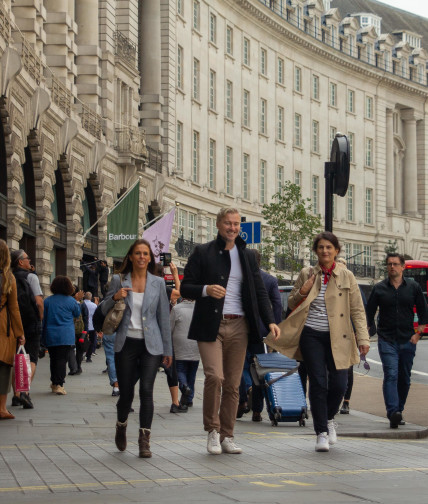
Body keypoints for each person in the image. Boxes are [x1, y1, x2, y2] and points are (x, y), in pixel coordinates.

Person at [181, 207, 280, 455]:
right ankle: (212, 431)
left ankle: (228, 435)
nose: (233, 228)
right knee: (215, 377)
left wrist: (270, 321)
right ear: (218, 225)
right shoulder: (202, 252)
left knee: (234, 385)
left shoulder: (246, 255)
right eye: (228, 223)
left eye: (236, 224)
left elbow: (259, 292)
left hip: (240, 326)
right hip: (210, 324)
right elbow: (185, 287)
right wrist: (206, 290)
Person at [265, 231, 370, 452]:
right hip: (311, 334)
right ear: (315, 251)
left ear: (336, 251)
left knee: (340, 384)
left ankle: (330, 417)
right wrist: (303, 290)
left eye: (329, 248)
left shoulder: (347, 276)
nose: (324, 251)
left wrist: (363, 338)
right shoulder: (307, 273)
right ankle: (321, 431)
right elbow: (292, 302)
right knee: (318, 382)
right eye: (321, 247)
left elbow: (358, 310)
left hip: (338, 335)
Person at [101, 238, 172, 458]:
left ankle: (144, 440)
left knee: (147, 390)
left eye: (145, 254)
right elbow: (103, 309)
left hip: (151, 345)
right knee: (127, 394)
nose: (142, 257)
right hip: (126, 343)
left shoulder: (158, 283)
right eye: (138, 253)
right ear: (130, 257)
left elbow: (163, 317)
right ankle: (121, 425)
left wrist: (168, 350)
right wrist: (115, 296)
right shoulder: (118, 279)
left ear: (150, 258)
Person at [366, 253, 428, 428]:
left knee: (404, 378)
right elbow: (368, 314)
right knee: (391, 374)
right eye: (389, 264)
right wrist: (366, 333)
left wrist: (418, 334)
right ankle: (393, 411)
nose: (392, 267)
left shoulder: (413, 287)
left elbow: (424, 311)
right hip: (386, 339)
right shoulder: (379, 289)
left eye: (395, 264)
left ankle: (399, 410)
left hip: (408, 339)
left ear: (402, 267)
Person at [237, 248, 282, 422]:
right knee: (261, 370)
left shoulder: (238, 279)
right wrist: (274, 326)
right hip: (262, 332)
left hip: (240, 329)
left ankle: (242, 399)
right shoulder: (270, 280)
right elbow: (277, 304)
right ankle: (257, 411)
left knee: (240, 366)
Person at [10, 249, 44, 409]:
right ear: (20, 262)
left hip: (14, 323)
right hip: (31, 322)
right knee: (31, 358)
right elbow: (38, 301)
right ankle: (24, 392)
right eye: (27, 258)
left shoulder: (9, 277)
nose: (30, 260)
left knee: (17, 358)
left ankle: (16, 396)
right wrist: (40, 317)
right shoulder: (31, 277)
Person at [154, 261, 188, 413]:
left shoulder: (143, 287)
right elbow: (180, 293)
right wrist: (175, 274)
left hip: (147, 333)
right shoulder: (163, 289)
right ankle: (175, 402)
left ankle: (126, 401)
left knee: (139, 369)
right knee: (170, 369)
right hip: (162, 333)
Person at [42, 276, 81, 395]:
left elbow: (43, 319)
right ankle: (59, 384)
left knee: (53, 359)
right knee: (62, 360)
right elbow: (77, 313)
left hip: (51, 333)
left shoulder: (48, 301)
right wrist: (77, 300)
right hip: (66, 334)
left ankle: (54, 382)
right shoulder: (71, 301)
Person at [0, 240, 25, 420]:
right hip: (3, 326)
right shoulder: (8, 277)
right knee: (3, 367)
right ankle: (1, 408)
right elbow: (14, 307)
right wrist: (20, 333)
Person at [170, 299, 199, 407]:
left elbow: (170, 327)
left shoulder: (177, 308)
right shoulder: (199, 308)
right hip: (195, 343)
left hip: (179, 344)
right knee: (192, 372)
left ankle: (184, 386)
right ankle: (189, 398)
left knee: (180, 369)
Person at [68, 287, 88, 376]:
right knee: (74, 349)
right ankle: (75, 367)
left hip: (77, 330)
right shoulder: (78, 303)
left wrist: (85, 331)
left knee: (76, 349)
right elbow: (85, 317)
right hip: (74, 329)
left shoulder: (81, 304)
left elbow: (85, 317)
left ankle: (76, 367)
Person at [83, 292, 98, 362]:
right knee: (92, 341)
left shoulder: (82, 304)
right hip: (92, 326)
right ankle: (88, 356)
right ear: (91, 298)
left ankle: (82, 354)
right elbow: (96, 316)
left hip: (83, 326)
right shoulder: (94, 305)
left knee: (82, 340)